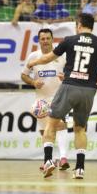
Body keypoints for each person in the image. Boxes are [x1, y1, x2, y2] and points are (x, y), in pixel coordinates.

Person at [28, 13, 97, 179]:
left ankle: (48, 160)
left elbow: (48, 57)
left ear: (79, 25)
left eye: (76, 24)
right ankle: (80, 168)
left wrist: (34, 63)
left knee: (51, 124)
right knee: (80, 129)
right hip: (88, 90)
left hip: (69, 86)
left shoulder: (69, 40)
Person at [21, 28, 70, 172]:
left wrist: (65, 77)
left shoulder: (62, 55)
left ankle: (63, 158)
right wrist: (33, 82)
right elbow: (23, 75)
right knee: (44, 131)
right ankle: (51, 160)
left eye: (48, 38)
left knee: (60, 125)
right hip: (41, 100)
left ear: (52, 39)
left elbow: (71, 73)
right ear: (39, 41)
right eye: (42, 39)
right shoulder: (33, 56)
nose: (45, 41)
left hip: (59, 97)